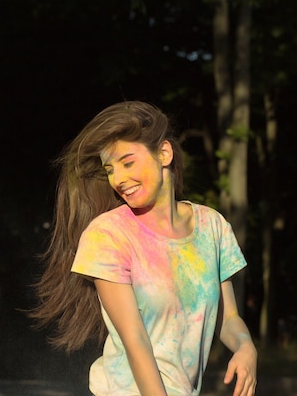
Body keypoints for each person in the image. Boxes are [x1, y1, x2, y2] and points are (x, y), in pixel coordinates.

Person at [30, 101, 257, 396]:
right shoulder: (108, 235)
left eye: (127, 162)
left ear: (164, 153)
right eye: (110, 169)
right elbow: (134, 338)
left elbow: (228, 318)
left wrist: (246, 347)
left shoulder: (211, 227)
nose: (119, 179)